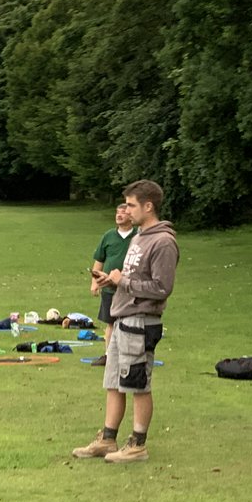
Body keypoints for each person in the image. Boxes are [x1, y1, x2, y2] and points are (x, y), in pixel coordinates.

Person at [72, 180, 178, 463]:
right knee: (113, 383)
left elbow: (161, 287)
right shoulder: (139, 237)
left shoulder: (163, 241)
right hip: (122, 318)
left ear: (148, 206)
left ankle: (138, 445)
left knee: (138, 382)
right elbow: (132, 280)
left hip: (142, 322)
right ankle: (107, 439)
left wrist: (124, 281)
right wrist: (112, 281)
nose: (127, 210)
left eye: (131, 205)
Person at [87, 202, 136, 365]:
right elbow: (99, 260)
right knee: (110, 322)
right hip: (109, 288)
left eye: (123, 212)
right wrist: (94, 282)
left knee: (130, 321)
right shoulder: (108, 236)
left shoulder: (138, 236)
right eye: (117, 212)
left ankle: (130, 355)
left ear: (131, 215)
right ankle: (108, 356)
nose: (119, 215)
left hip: (129, 287)